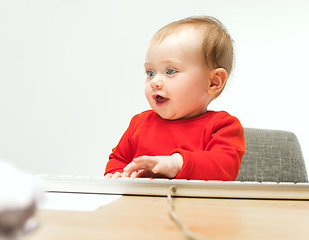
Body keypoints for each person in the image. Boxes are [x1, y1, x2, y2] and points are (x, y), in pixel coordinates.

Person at [104, 16, 245, 180]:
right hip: (141, 204)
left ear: (213, 82)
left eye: (170, 71)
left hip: (195, 205)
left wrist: (177, 163)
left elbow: (224, 168)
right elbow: (118, 160)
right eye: (150, 73)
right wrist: (118, 175)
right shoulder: (138, 124)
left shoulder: (223, 126)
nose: (155, 82)